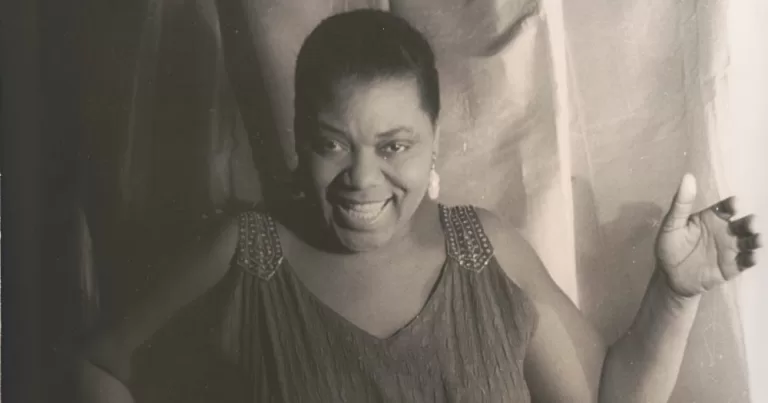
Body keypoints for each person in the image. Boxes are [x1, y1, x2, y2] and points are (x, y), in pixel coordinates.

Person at [73, 9, 762, 403]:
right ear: (298, 138)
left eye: (393, 144)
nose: (361, 178)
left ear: (434, 141)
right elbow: (98, 365)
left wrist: (674, 294)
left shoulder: (486, 251)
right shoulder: (250, 255)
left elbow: (609, 398)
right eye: (330, 144)